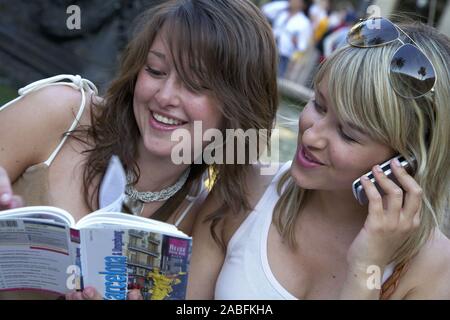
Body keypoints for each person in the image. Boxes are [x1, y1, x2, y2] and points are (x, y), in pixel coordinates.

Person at [0, 0, 278, 299]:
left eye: (195, 84)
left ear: (236, 107)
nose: (165, 96)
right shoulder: (61, 111)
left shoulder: (202, 222)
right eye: (155, 70)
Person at [188, 17, 450, 299]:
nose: (311, 137)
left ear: (406, 160)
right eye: (318, 105)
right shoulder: (244, 189)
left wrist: (366, 268)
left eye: (348, 134)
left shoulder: (434, 268)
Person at [262, 0, 313, 77]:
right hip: (268, 47)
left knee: (274, 78)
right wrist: (285, 5)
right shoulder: (282, 11)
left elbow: (302, 46)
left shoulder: (304, 22)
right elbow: (265, 10)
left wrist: (296, 42)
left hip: (282, 56)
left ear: (303, 4)